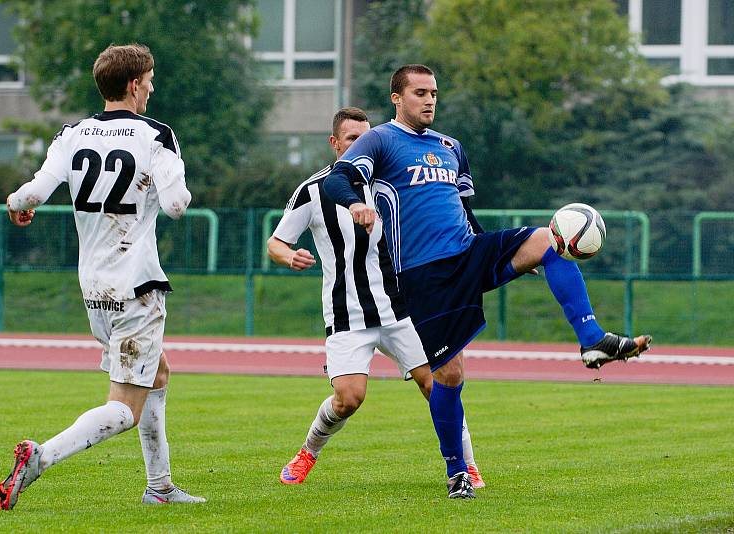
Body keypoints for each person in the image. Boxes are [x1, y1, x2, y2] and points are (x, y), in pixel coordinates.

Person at [323, 64, 652, 498]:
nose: (429, 100)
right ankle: (457, 471)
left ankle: (591, 338)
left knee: (548, 241)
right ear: (397, 98)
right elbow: (337, 180)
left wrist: (506, 257)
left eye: (434, 92)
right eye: (419, 92)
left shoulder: (451, 147)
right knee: (450, 375)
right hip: (426, 275)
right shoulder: (380, 139)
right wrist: (355, 205)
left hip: (468, 251)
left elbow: (462, 209)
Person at [0, 44, 203, 510]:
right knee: (125, 408)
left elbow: (31, 193)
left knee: (158, 373)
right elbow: (175, 206)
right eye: (149, 79)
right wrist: (172, 182)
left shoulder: (72, 133)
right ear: (133, 84)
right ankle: (39, 458)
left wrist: (16, 206)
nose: (152, 86)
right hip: (137, 284)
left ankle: (161, 487)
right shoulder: (156, 135)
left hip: (94, 287)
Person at [268, 107, 484, 493]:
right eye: (352, 140)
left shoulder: (393, 181)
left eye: (366, 138)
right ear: (335, 144)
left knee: (438, 385)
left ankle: (466, 466)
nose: (361, 146)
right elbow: (276, 242)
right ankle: (308, 452)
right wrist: (289, 255)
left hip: (403, 308)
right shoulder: (314, 190)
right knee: (349, 398)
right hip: (347, 311)